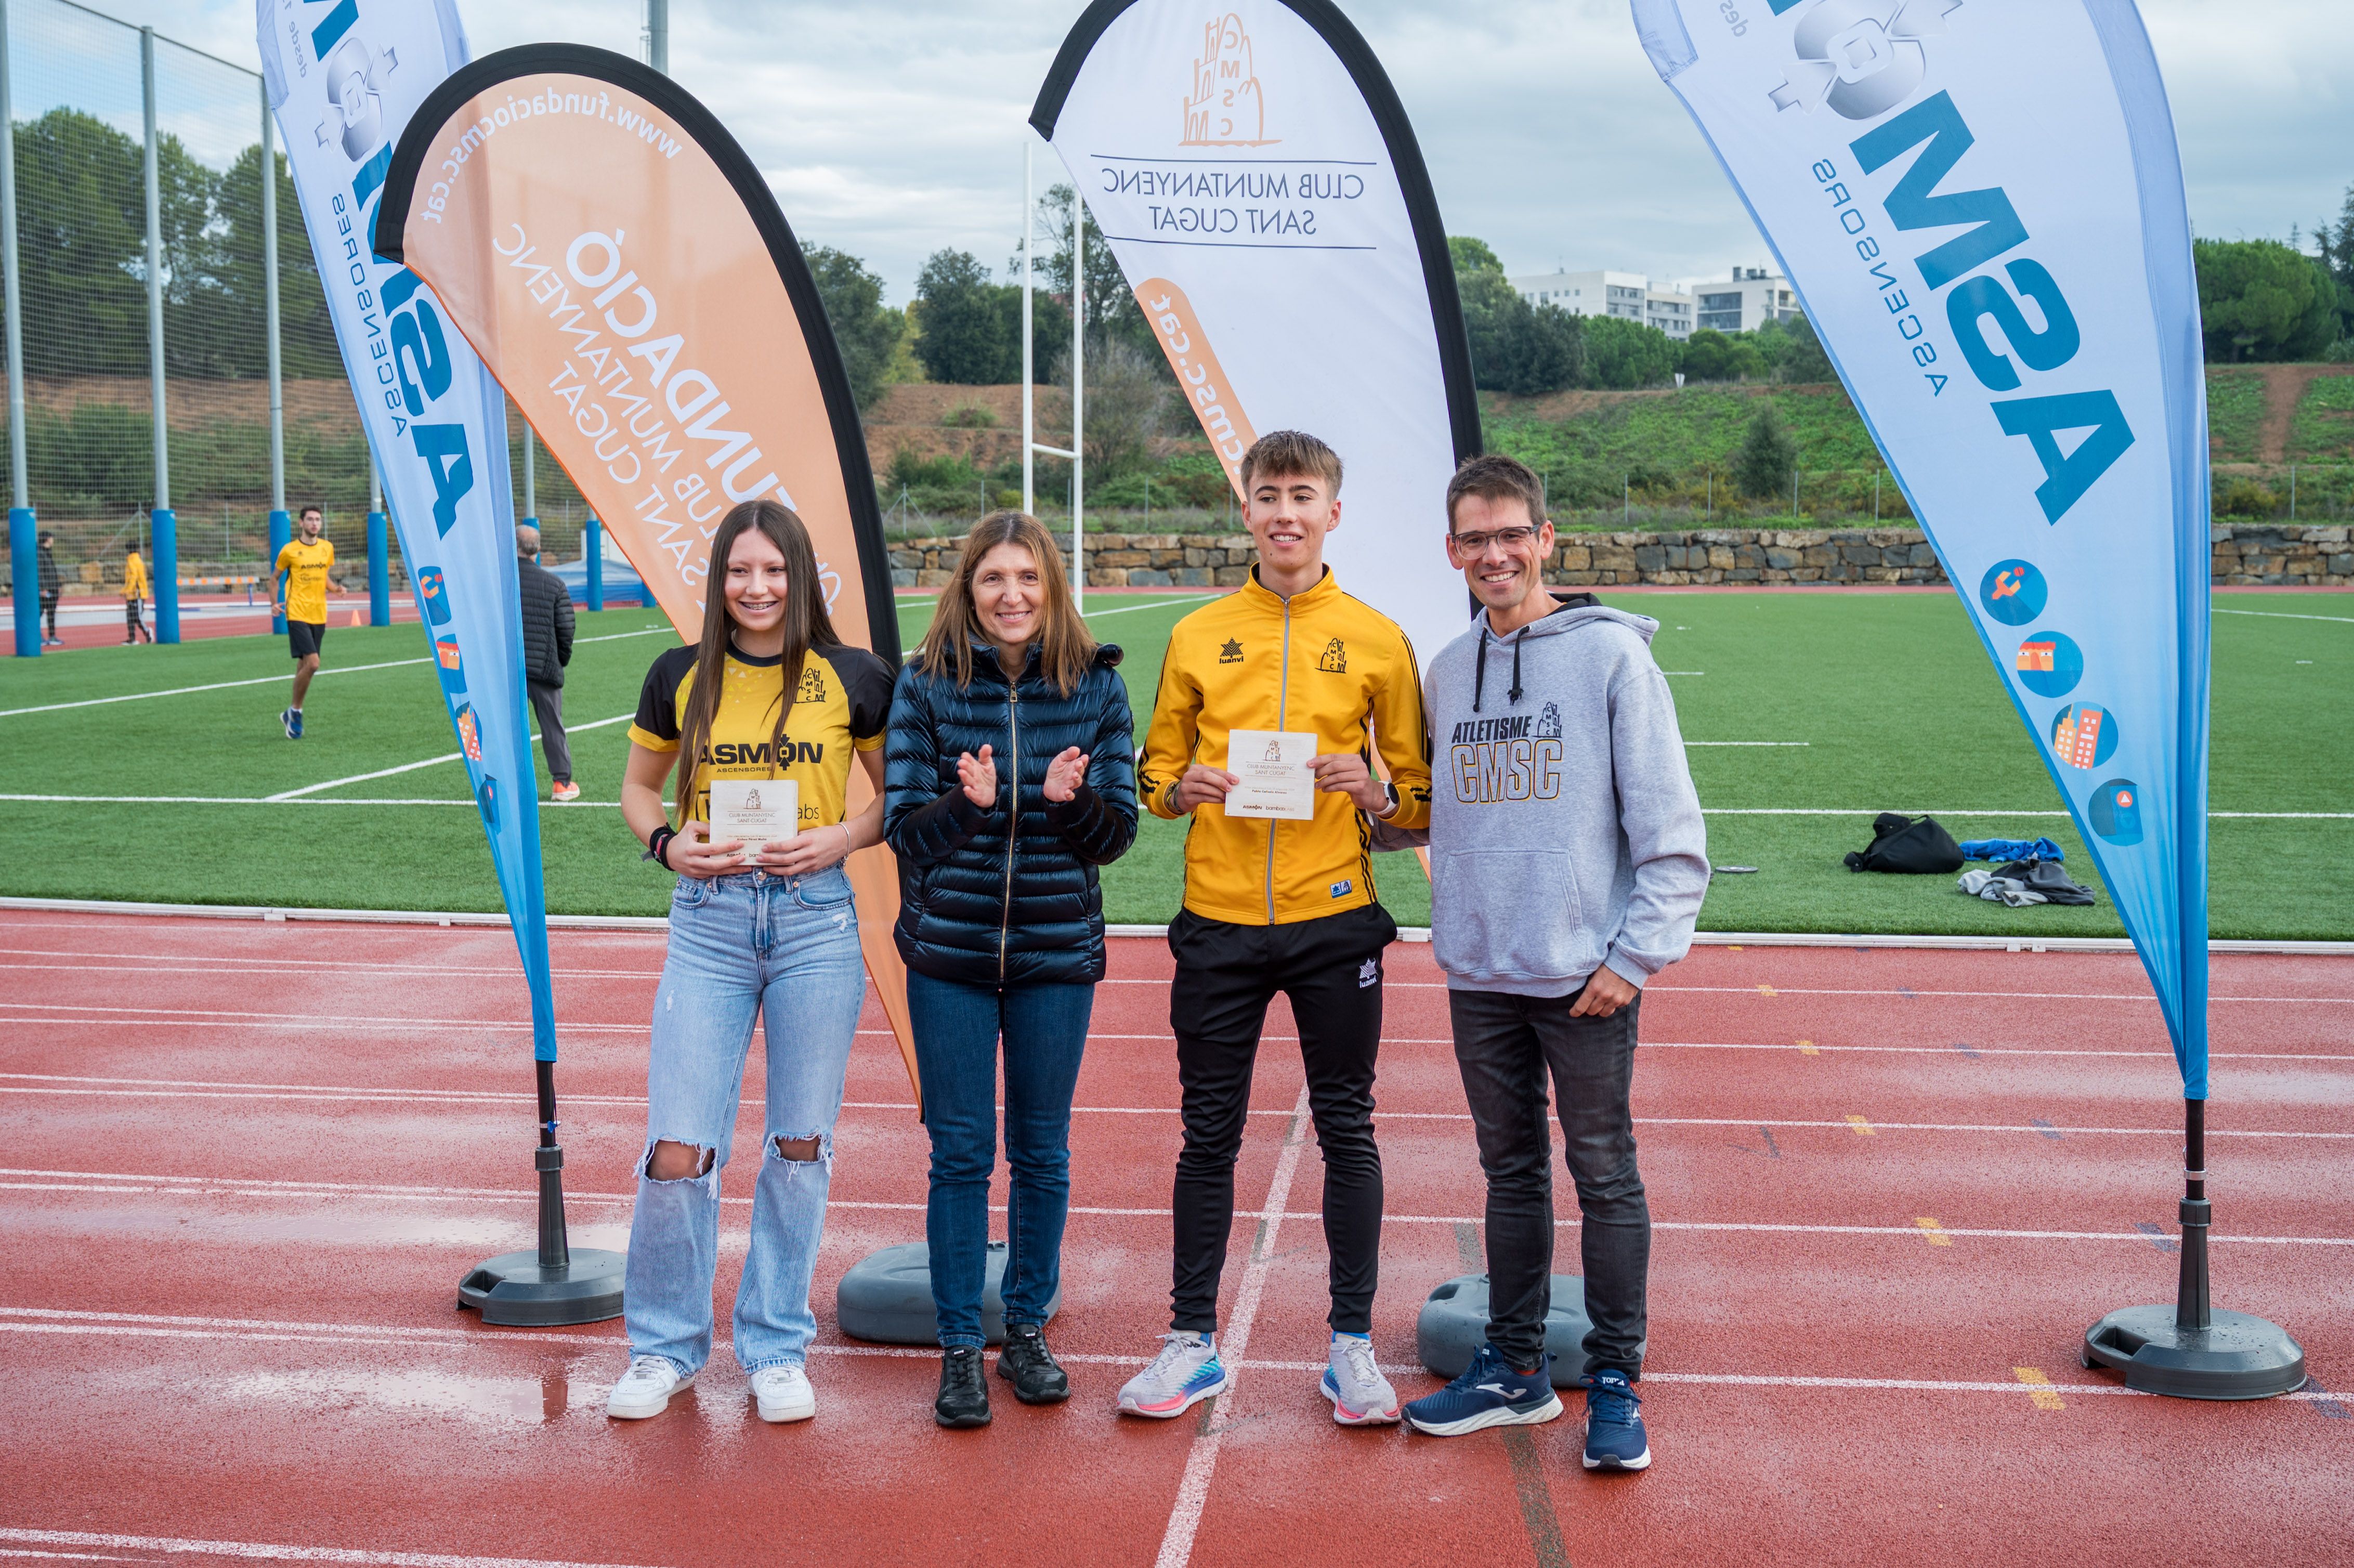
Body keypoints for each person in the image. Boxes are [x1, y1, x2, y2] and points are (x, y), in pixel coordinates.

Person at [1397, 454, 1708, 1473]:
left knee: (1603, 1173)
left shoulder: (1613, 659)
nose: (1492, 553)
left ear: (1544, 539)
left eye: (1509, 534)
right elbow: (1444, 813)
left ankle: (1615, 1378)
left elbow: (1669, 826)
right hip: (1480, 972)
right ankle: (1515, 1366)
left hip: (1583, 977)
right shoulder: (1445, 669)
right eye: (1472, 538)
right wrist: (1371, 795)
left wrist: (1635, 956)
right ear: (1451, 551)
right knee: (1510, 1174)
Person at [1119, 429, 1432, 1426]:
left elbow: (1418, 804)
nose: (1285, 512)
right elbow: (1152, 776)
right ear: (1243, 511)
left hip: (1335, 922)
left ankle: (1351, 1349)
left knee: (1348, 1128)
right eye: (1268, 495)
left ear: (1332, 513)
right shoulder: (1198, 634)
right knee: (1207, 1135)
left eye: (1303, 495)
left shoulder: (1379, 639)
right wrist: (1183, 787)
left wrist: (1374, 789)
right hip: (1215, 921)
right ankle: (1188, 1342)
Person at [607, 498, 894, 1426]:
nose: (758, 587)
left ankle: (775, 1346)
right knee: (678, 1146)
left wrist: (838, 839)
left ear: (801, 576)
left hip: (815, 921)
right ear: (719, 579)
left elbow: (895, 799)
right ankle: (663, 1348)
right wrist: (666, 847)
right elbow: (638, 789)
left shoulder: (853, 675)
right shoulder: (679, 674)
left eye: (774, 570)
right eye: (740, 570)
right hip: (708, 921)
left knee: (799, 1142)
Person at [884, 511, 1137, 1429]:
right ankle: (960, 1347)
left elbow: (1115, 838)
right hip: (948, 958)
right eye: (992, 579)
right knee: (959, 1153)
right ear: (967, 590)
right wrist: (967, 802)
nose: (1011, 595)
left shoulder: (1097, 690)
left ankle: (1025, 1328)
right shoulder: (924, 687)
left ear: (1052, 588)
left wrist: (1068, 808)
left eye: (1027, 579)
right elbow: (902, 833)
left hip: (1054, 956)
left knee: (1041, 1150)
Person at [516, 524, 579, 802]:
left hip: (507, 671)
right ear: (538, 549)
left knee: (504, 728)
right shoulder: (554, 584)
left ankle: (499, 785)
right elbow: (566, 629)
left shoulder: (496, 582)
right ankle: (562, 785)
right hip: (544, 669)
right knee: (553, 726)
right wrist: (559, 661)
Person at [276, 506, 342, 738]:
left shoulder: (327, 548)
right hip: (296, 612)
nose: (315, 523)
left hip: (319, 614)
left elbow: (324, 576)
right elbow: (274, 579)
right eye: (310, 520)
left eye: (318, 520)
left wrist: (335, 589)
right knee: (313, 664)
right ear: (301, 523)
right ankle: (296, 711)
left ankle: (289, 714)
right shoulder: (290, 551)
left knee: (304, 666)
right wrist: (273, 602)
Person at [123, 544, 152, 645]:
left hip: (137, 594)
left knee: (137, 617)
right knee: (130, 617)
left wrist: (127, 590)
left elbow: (134, 577)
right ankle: (132, 639)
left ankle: (147, 632)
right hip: (133, 594)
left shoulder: (133, 561)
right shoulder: (136, 560)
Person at [36, 531, 61, 647]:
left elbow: (52, 571)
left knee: (51, 613)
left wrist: (58, 585)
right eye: (52, 538)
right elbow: (40, 572)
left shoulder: (47, 552)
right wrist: (42, 589)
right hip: (46, 590)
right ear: (47, 539)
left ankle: (52, 636)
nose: (53, 540)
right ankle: (37, 637)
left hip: (53, 588)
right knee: (39, 612)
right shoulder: (39, 553)